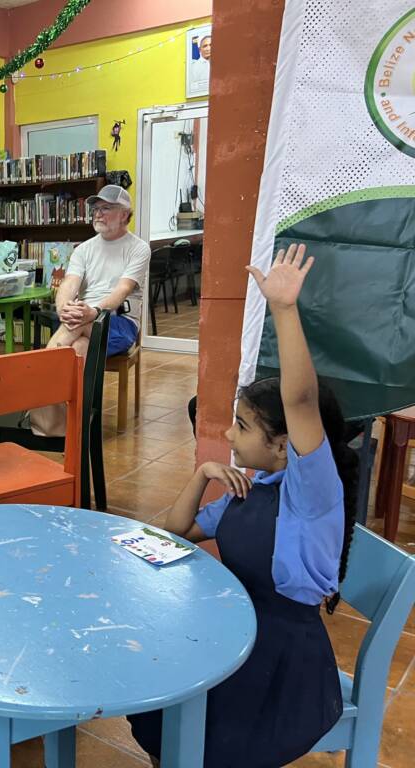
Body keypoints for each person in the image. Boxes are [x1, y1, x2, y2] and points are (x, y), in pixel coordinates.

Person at [128, 244, 354, 767]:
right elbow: (175, 532)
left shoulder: (312, 495)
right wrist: (203, 474)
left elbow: (300, 400)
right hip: (233, 633)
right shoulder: (251, 486)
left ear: (285, 446)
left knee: (204, 729)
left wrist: (284, 309)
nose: (229, 434)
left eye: (243, 426)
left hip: (282, 667)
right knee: (166, 696)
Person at [46, 184, 149, 358]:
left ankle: (38, 369)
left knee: (76, 325)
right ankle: (49, 373)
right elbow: (69, 284)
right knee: (79, 345)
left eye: (106, 208)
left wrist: (94, 312)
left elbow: (123, 289)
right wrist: (64, 309)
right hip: (83, 316)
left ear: (124, 215)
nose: (98, 214)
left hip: (119, 322)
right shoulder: (83, 249)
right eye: (95, 209)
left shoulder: (138, 248)